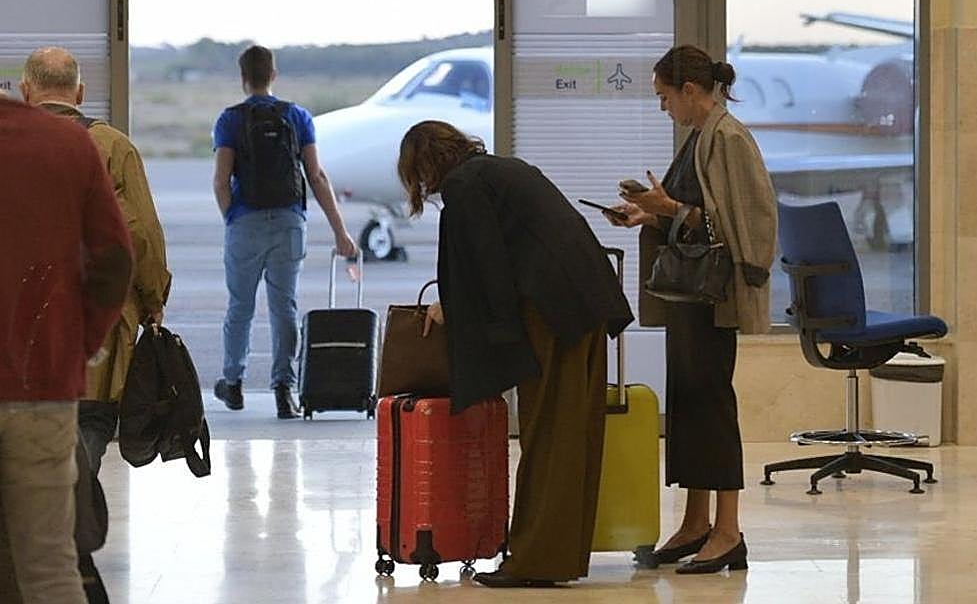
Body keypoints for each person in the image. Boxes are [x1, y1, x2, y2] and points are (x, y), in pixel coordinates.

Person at [397, 120, 633, 589]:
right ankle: (558, 553)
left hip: (552, 313)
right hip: (587, 301)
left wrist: (468, 318)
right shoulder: (501, 169)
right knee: (574, 434)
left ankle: (534, 561)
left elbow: (488, 269)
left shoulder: (465, 187)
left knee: (547, 435)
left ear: (425, 164)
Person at [609, 45, 777, 575]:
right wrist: (648, 214)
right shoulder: (700, 138)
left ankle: (728, 531)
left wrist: (671, 209)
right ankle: (695, 521)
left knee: (711, 404)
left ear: (689, 91)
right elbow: (696, 217)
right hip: (689, 296)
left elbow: (744, 227)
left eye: (664, 97)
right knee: (687, 405)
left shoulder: (728, 138)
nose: (663, 108)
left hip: (715, 298)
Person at [21, 46, 173, 602]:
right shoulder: (112, 147)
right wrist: (154, 299)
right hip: (95, 335)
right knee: (85, 439)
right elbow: (144, 237)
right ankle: (70, 554)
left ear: (25, 91)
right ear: (81, 93)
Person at [0, 96, 133, 604]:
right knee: (50, 566)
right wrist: (79, 344)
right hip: (43, 380)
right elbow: (115, 256)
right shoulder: (66, 142)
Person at [211, 45, 358, 420]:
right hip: (290, 222)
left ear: (244, 78)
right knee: (284, 308)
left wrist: (234, 219)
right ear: (273, 75)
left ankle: (234, 383)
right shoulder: (297, 116)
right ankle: (283, 389)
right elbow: (317, 176)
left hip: (245, 223)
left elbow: (221, 181)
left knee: (240, 307)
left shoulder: (229, 120)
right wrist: (340, 232)